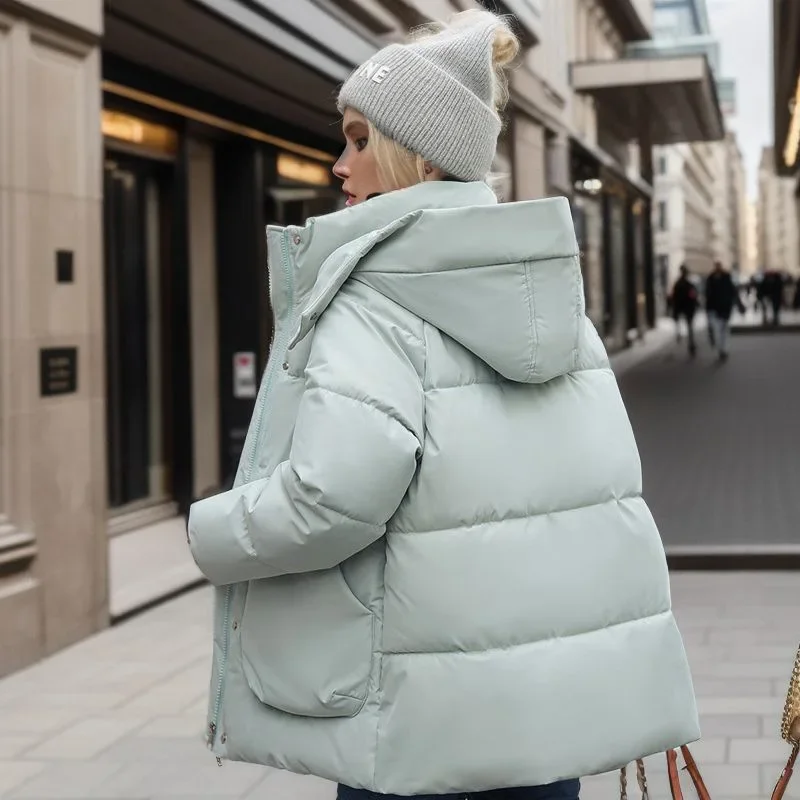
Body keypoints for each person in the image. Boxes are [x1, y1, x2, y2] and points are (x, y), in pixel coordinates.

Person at [187, 10, 699, 800]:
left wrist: (213, 528)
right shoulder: (545, 296)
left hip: (420, 730)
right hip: (545, 724)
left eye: (359, 139)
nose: (337, 163)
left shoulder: (370, 301)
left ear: (419, 157)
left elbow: (331, 497)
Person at [705, 261, 743, 361]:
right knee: (718, 329)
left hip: (724, 308)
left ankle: (723, 349)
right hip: (715, 308)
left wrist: (738, 304)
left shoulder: (725, 277)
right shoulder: (711, 278)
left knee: (723, 329)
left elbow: (733, 291)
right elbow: (708, 295)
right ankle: (721, 348)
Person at [670, 264, 699, 356]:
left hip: (681, 307)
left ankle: (680, 335)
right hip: (688, 308)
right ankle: (691, 343)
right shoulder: (688, 284)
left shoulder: (678, 284)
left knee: (683, 324)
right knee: (690, 326)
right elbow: (693, 296)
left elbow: (674, 297)